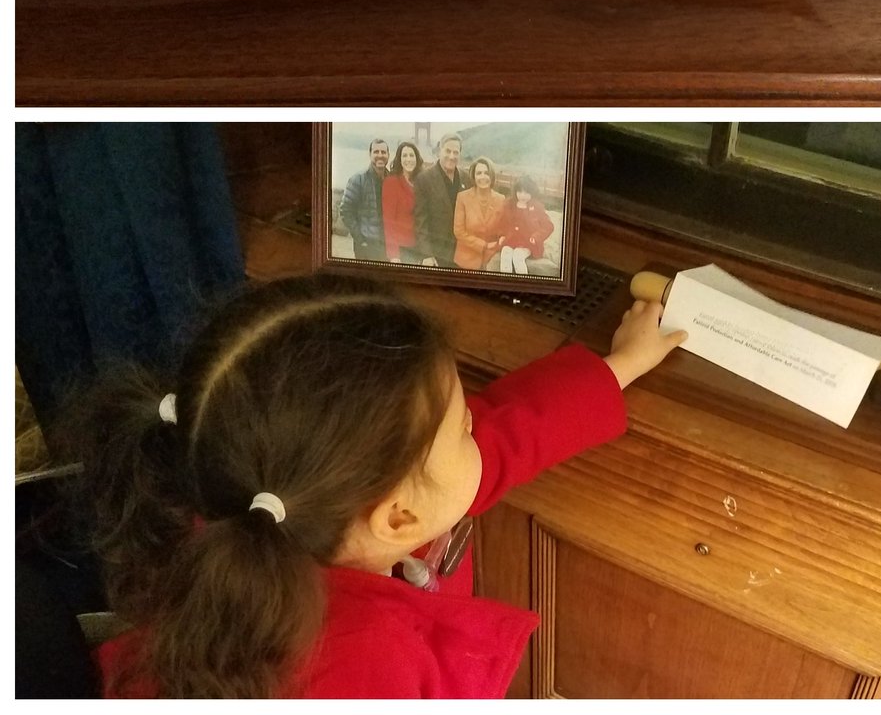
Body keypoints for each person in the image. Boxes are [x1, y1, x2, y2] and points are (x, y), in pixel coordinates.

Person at [65, 273, 686, 699]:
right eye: (463, 429)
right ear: (397, 517)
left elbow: (501, 438)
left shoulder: (249, 504)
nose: (478, 428)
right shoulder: (366, 669)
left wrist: (618, 366)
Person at [413, 133, 468, 267]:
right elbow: (420, 220)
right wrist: (426, 254)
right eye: (448, 151)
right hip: (436, 255)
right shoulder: (424, 179)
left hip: (461, 253)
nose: (451, 156)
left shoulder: (465, 178)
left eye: (456, 152)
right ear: (439, 151)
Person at [337, 139, 389, 262]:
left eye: (383, 152)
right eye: (376, 152)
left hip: (387, 245)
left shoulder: (391, 179)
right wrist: (360, 238)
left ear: (388, 155)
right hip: (366, 245)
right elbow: (345, 210)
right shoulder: (358, 179)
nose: (380, 155)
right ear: (370, 154)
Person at [496, 175, 556, 274]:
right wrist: (501, 235)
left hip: (528, 243)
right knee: (505, 253)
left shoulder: (537, 207)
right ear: (515, 192)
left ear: (532, 193)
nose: (522, 196)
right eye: (520, 192)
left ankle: (522, 280)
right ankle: (505, 279)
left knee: (517, 256)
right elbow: (501, 223)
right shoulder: (509, 205)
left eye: (526, 192)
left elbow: (548, 226)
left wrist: (536, 236)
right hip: (510, 240)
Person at [453, 157, 505, 271]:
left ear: (492, 176)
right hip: (466, 262)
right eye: (479, 173)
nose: (483, 177)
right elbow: (459, 232)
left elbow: (504, 230)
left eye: (486, 173)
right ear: (473, 176)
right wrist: (484, 245)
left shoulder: (501, 200)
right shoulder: (462, 197)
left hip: (491, 261)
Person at [382, 141, 424, 264]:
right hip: (401, 250)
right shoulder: (391, 182)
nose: (408, 159)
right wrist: (394, 255)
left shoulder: (422, 182)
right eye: (404, 156)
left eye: (411, 155)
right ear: (399, 160)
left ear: (417, 159)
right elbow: (388, 221)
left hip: (419, 249)